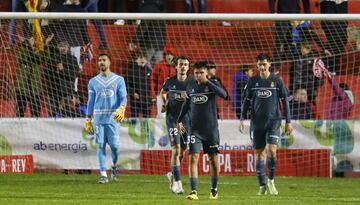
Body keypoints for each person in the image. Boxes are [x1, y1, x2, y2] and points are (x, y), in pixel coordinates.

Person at [239, 54, 292, 195]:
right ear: (257, 66)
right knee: (259, 154)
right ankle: (262, 185)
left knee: (273, 150)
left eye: (264, 64)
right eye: (259, 64)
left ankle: (271, 181)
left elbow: (285, 101)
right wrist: (242, 119)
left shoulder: (277, 81)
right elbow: (246, 101)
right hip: (257, 123)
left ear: (269, 64)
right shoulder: (252, 81)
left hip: (274, 122)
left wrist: (288, 121)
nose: (262, 67)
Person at [177, 61, 228, 200]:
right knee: (193, 157)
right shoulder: (191, 86)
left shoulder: (213, 84)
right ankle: (194, 192)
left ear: (206, 73)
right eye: (196, 73)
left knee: (213, 160)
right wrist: (179, 120)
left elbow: (225, 95)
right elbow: (186, 105)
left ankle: (214, 189)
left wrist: (208, 83)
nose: (198, 75)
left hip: (211, 130)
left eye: (201, 73)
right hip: (195, 130)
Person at [84, 53, 127, 184]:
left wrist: (122, 108)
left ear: (109, 62)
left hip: (113, 119)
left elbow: (123, 98)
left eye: (104, 60)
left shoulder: (119, 80)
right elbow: (90, 102)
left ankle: (114, 166)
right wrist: (88, 119)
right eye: (99, 60)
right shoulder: (93, 82)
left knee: (114, 147)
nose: (101, 62)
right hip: (98, 119)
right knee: (100, 146)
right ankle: (103, 174)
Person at [160, 56, 194, 194]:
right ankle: (178, 184)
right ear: (176, 66)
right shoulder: (170, 81)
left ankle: (173, 175)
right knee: (176, 149)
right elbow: (163, 92)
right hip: (172, 119)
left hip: (186, 120)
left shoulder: (193, 81)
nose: (183, 67)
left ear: (188, 67)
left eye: (186, 64)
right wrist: (164, 103)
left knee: (184, 151)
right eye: (181, 64)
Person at [268, 0, 311, 69]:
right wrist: (273, 12)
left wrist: (308, 16)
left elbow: (306, 2)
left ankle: (295, 62)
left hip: (295, 16)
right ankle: (276, 64)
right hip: (281, 15)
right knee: (279, 40)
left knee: (292, 39)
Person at [129, 0, 166, 66]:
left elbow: (144, 26)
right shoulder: (158, 8)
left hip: (148, 43)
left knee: (146, 67)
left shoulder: (147, 8)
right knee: (158, 67)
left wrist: (135, 41)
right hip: (160, 44)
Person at [15, 36, 43, 117]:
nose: (32, 41)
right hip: (21, 87)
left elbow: (39, 60)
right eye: (30, 40)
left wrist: (30, 48)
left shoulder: (38, 51)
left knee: (36, 114)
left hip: (35, 89)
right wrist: (27, 46)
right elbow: (19, 59)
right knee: (19, 113)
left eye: (33, 40)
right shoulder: (22, 49)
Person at [126, 53, 154, 118]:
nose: (142, 59)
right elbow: (126, 84)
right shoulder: (131, 71)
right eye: (140, 57)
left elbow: (152, 86)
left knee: (147, 120)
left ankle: (146, 128)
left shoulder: (150, 71)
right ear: (136, 60)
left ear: (147, 60)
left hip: (146, 100)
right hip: (135, 100)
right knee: (134, 119)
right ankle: (133, 127)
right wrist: (133, 92)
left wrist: (152, 97)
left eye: (144, 58)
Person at [152, 50, 177, 118]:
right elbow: (153, 80)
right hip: (161, 94)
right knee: (161, 115)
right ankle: (159, 129)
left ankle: (171, 128)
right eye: (167, 54)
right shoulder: (159, 66)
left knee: (172, 115)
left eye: (170, 54)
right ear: (165, 56)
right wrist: (153, 94)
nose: (169, 56)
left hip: (173, 95)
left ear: (173, 56)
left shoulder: (176, 67)